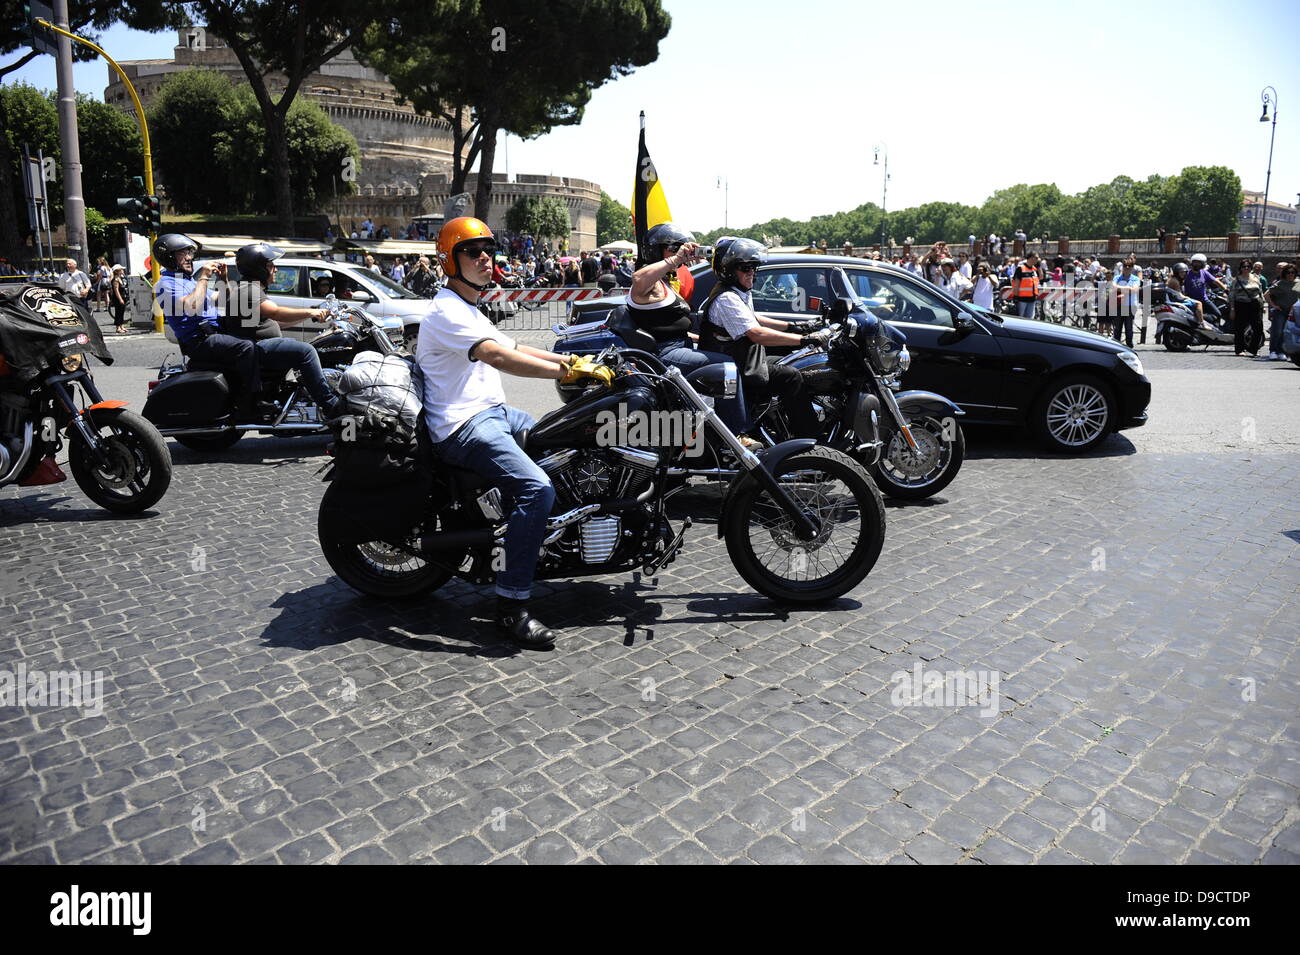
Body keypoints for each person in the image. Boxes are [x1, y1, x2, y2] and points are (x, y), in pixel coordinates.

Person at [419, 216, 599, 649]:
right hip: (463, 424)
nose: (485, 258)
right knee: (536, 489)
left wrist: (579, 358)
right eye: (472, 251)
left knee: (566, 438)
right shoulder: (446, 311)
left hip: (494, 413)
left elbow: (517, 346)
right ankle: (511, 605)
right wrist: (570, 371)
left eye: (488, 250)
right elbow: (500, 358)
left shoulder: (470, 307)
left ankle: (549, 535)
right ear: (450, 260)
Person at [626, 222, 753, 439]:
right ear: (656, 250)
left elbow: (671, 327)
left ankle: (710, 430)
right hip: (665, 353)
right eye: (673, 248)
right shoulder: (650, 284)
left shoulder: (665, 283)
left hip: (679, 345)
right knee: (727, 368)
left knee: (732, 355)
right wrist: (676, 259)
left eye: (681, 249)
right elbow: (638, 279)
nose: (679, 253)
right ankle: (736, 436)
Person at [697, 237, 829, 439]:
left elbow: (753, 318)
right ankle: (810, 439)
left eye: (754, 267)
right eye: (745, 268)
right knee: (791, 376)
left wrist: (797, 327)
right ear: (729, 270)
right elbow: (756, 333)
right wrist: (804, 340)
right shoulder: (727, 298)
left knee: (799, 363)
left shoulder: (737, 291)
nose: (752, 272)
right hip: (738, 366)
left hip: (748, 359)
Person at [228, 243, 345, 417]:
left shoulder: (247, 287)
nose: (275, 270)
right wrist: (310, 311)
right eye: (270, 265)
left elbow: (269, 322)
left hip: (256, 346)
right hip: (257, 348)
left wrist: (307, 317)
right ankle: (330, 404)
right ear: (258, 269)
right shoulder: (249, 290)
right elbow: (275, 312)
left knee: (311, 345)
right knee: (306, 351)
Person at [153, 234, 262, 418]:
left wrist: (223, 279)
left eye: (189, 252)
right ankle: (252, 402)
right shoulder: (165, 283)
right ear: (169, 257)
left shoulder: (189, 281)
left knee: (257, 337)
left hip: (214, 334)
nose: (189, 257)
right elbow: (191, 306)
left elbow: (223, 298)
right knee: (246, 348)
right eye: (182, 253)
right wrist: (203, 277)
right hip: (199, 340)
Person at [1228, 259, 1266, 358]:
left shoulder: (1256, 277)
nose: (1246, 268)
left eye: (1248, 267)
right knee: (1240, 328)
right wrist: (1232, 309)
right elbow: (1231, 295)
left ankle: (1254, 349)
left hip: (1255, 305)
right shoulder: (1236, 280)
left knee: (1258, 328)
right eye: (1244, 267)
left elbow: (1260, 291)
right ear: (1240, 268)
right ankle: (1239, 349)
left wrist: (1262, 304)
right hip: (1241, 305)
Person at [1263, 263, 1299, 361]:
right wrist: (1273, 305)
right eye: (1288, 273)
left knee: (1288, 332)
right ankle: (1273, 351)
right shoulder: (1280, 283)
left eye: (1293, 273)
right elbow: (1266, 294)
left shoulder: (1298, 282)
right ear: (1285, 274)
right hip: (1281, 310)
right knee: (1277, 331)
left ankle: (1283, 351)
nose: (1290, 275)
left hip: (1294, 312)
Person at [1183, 253, 1228, 326]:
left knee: (1218, 314)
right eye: (1195, 262)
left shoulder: (1204, 273)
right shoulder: (1187, 274)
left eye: (1199, 262)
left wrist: (1226, 290)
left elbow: (1216, 281)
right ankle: (1198, 318)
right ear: (1192, 263)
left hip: (1204, 299)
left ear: (1203, 264)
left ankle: (1199, 317)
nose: (1196, 264)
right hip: (1193, 301)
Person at [1109, 261, 1141, 348]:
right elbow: (1113, 287)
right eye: (1125, 266)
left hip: (1130, 306)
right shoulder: (1117, 277)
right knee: (1117, 327)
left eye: (1129, 266)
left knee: (1129, 328)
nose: (1127, 267)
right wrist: (1127, 288)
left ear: (1132, 267)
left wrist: (1120, 289)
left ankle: (1129, 346)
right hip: (1118, 305)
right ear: (1122, 267)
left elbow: (1134, 290)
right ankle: (1116, 346)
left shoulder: (1135, 279)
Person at [1011, 252, 1041, 318]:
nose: (1038, 259)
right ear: (1030, 258)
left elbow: (1041, 277)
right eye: (1036, 258)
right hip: (1022, 299)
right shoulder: (1021, 269)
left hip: (1032, 299)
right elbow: (1016, 284)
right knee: (1020, 319)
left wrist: (1039, 266)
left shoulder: (1034, 269)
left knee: (1029, 320)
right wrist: (1016, 298)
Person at [108, 264, 128, 334]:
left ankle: (121, 326)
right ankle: (118, 327)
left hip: (123, 297)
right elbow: (116, 291)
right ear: (117, 271)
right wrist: (120, 299)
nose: (122, 270)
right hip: (118, 298)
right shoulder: (115, 280)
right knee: (118, 312)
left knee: (122, 311)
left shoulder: (120, 278)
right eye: (121, 269)